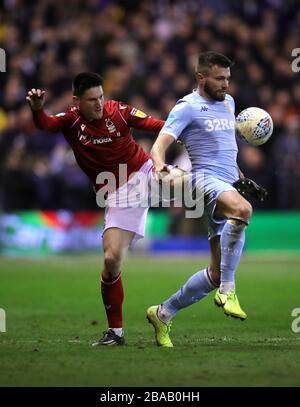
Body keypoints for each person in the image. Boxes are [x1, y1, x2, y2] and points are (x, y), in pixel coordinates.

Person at [26, 72, 165, 346]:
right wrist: (37, 110)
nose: (99, 104)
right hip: (118, 194)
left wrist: (179, 133)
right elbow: (45, 124)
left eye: (101, 97)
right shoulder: (71, 121)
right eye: (92, 100)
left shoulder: (119, 111)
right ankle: (116, 333)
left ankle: (229, 184)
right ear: (77, 101)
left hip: (144, 171)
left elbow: (155, 124)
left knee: (185, 183)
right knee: (111, 261)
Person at [147, 51, 253, 347]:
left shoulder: (229, 103)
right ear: (201, 77)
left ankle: (163, 313)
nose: (226, 85)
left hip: (228, 181)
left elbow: (226, 149)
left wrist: (241, 177)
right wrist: (159, 165)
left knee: (215, 272)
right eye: (219, 79)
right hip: (203, 179)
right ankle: (229, 290)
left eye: (228, 79)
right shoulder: (187, 107)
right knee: (243, 210)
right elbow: (159, 145)